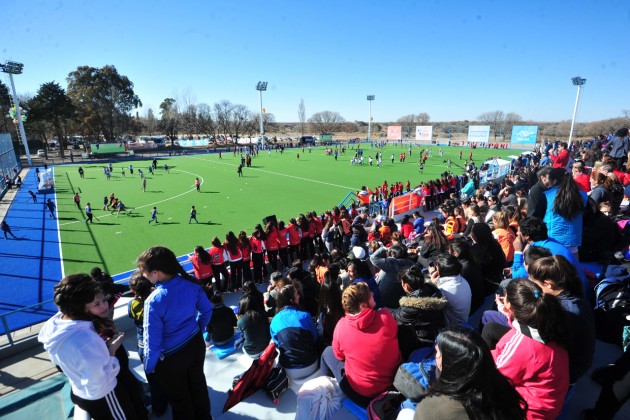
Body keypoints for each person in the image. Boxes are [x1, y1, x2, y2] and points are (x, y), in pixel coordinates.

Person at [38, 274, 137, 419]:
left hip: (80, 391)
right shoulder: (85, 340)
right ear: (80, 307)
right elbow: (99, 384)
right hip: (104, 396)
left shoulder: (55, 325)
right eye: (96, 303)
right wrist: (111, 354)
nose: (104, 306)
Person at [137, 246, 213, 420]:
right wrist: (198, 330)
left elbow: (153, 343)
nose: (143, 275)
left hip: (172, 358)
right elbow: (207, 310)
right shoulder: (191, 283)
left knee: (180, 401)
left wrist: (150, 368)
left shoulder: (154, 300)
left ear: (156, 272)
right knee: (198, 387)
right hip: (195, 345)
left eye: (144, 272)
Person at [489, 278, 570, 420]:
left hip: (529, 412)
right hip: (550, 404)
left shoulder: (521, 343)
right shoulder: (548, 322)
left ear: (511, 306)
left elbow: (494, 377)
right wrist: (505, 310)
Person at [413, 326, 526, 420]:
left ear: (452, 364)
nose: (436, 356)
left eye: (438, 352)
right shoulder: (504, 392)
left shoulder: (431, 409)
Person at [320, 282, 402, 406]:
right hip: (393, 385)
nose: (373, 293)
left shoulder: (340, 327)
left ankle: (326, 391)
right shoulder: (385, 316)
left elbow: (339, 356)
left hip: (361, 395)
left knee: (327, 352)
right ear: (363, 305)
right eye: (370, 294)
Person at [128, 273, 167, 417]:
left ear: (133, 290)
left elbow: (132, 317)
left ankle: (159, 407)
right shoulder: (159, 299)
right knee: (167, 373)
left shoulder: (132, 304)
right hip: (162, 343)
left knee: (153, 379)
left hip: (144, 346)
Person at [270, 283, 320, 382]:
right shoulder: (305, 316)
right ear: (292, 300)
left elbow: (276, 343)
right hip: (311, 365)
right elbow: (315, 339)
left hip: (289, 368)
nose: (299, 296)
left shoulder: (274, 321)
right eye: (297, 294)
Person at [391, 264, 447, 348]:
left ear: (406, 286)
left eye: (402, 282)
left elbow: (395, 318)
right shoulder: (433, 290)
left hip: (423, 341)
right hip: (437, 331)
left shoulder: (410, 307)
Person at [427, 253, 472, 325]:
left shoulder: (444, 290)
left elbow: (430, 304)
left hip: (452, 324)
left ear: (439, 271)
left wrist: (431, 283)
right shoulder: (462, 279)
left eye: (436, 267)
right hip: (463, 318)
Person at [370, 243, 414, 309]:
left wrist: (384, 248)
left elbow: (373, 258)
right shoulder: (412, 265)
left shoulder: (391, 264)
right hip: (399, 298)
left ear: (393, 255)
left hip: (384, 297)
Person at [236, 290, 271, 360]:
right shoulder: (263, 314)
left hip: (252, 353)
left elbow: (243, 335)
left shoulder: (241, 321)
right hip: (266, 348)